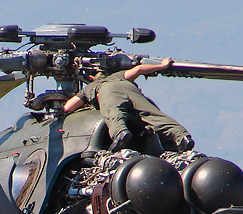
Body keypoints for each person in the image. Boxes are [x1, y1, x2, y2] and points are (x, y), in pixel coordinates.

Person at [63, 57, 194, 154]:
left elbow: (68, 107)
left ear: (91, 78)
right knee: (152, 115)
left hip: (108, 92)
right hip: (129, 88)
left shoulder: (89, 88)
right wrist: (162, 65)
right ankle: (182, 136)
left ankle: (121, 134)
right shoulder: (118, 75)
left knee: (113, 113)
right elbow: (138, 69)